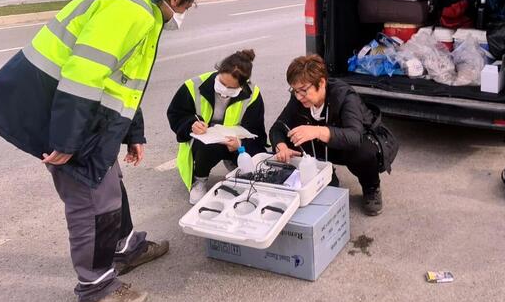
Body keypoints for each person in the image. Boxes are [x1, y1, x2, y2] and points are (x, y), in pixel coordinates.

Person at [0, 0, 201, 302]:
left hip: (87, 117)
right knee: (93, 202)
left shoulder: (140, 8)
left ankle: (124, 248)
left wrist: (132, 133)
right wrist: (66, 141)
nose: (187, 12)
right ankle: (95, 287)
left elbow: (124, 82)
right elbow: (82, 76)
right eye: (189, 5)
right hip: (63, 115)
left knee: (111, 184)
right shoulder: (130, 13)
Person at [270, 54, 393, 216]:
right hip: (320, 149)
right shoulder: (298, 99)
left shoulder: (345, 97)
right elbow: (278, 127)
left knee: (363, 150)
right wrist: (282, 147)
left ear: (321, 83)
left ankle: (371, 187)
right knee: (293, 135)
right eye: (294, 90)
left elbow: (354, 136)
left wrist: (318, 131)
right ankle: (325, 175)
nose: (298, 97)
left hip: (345, 147)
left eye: (303, 90)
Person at [167, 49, 267, 205]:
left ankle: (235, 165)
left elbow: (257, 132)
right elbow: (175, 114)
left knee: (254, 155)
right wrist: (191, 124)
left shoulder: (252, 94)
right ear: (218, 71)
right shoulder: (193, 85)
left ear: (242, 85)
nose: (224, 89)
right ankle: (199, 180)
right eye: (222, 83)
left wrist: (240, 145)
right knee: (204, 144)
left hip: (234, 143)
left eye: (231, 88)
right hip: (204, 143)